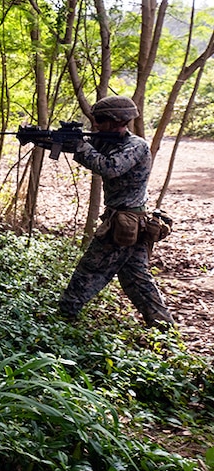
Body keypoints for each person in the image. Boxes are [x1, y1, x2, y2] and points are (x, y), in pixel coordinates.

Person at [57, 95, 175, 328]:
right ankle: (163, 327)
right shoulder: (109, 141)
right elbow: (92, 151)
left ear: (116, 120)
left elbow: (109, 167)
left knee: (89, 271)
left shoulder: (135, 146)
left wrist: (80, 146)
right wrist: (54, 140)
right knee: (136, 279)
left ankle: (63, 317)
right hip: (127, 221)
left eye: (100, 119)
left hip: (126, 221)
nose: (97, 124)